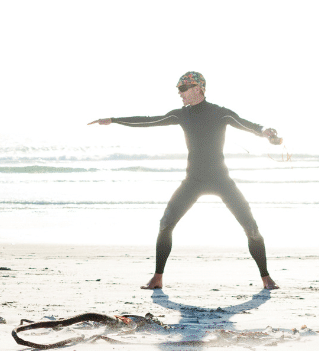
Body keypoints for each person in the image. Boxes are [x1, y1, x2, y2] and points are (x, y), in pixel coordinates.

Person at [89, 71, 283, 290]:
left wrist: (265, 132)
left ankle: (266, 278)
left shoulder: (221, 113)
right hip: (194, 180)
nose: (179, 94)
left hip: (221, 179)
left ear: (197, 89)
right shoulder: (181, 115)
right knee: (165, 224)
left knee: (252, 229)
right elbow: (149, 120)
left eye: (183, 89)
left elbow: (246, 124)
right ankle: (157, 278)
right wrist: (114, 120)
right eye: (179, 90)